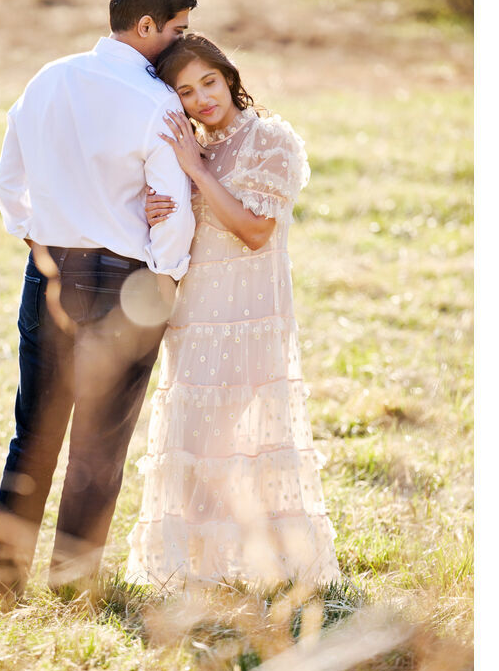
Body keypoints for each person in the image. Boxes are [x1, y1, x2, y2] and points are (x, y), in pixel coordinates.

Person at [0, 0, 197, 603]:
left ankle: (1, 582)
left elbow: (8, 175)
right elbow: (173, 206)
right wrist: (167, 273)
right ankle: (72, 589)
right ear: (146, 26)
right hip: (127, 281)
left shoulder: (49, 77)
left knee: (35, 429)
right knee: (99, 444)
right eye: (178, 30)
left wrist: (31, 232)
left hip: (46, 270)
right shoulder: (156, 102)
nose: (184, 42)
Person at [125, 34, 340, 589]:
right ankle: (200, 570)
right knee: (194, 440)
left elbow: (253, 231)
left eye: (209, 82)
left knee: (233, 441)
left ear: (230, 77)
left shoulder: (270, 140)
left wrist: (196, 171)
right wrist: (154, 208)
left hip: (251, 318)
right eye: (185, 91)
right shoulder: (189, 146)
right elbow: (183, 230)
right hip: (194, 316)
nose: (201, 99)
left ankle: (264, 567)